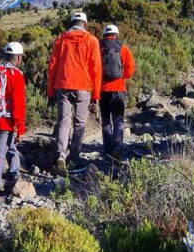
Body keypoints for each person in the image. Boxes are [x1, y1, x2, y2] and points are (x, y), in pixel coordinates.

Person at [47, 11, 102, 175]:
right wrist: (96, 95)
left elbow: (52, 66)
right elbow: (96, 69)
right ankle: (74, 157)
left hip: (63, 85)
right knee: (80, 124)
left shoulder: (61, 40)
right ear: (85, 24)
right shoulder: (92, 40)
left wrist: (50, 91)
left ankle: (61, 156)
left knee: (64, 122)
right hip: (83, 87)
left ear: (72, 24)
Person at [0, 42, 27, 206]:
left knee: (10, 146)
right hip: (5, 121)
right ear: (18, 57)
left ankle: (15, 175)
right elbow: (18, 104)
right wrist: (21, 128)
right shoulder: (16, 75)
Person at [99, 24, 135, 162]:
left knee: (106, 121)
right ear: (116, 35)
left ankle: (107, 151)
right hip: (119, 89)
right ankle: (118, 148)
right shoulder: (123, 48)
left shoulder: (98, 48)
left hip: (103, 90)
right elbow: (130, 69)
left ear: (104, 35)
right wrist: (122, 77)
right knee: (118, 119)